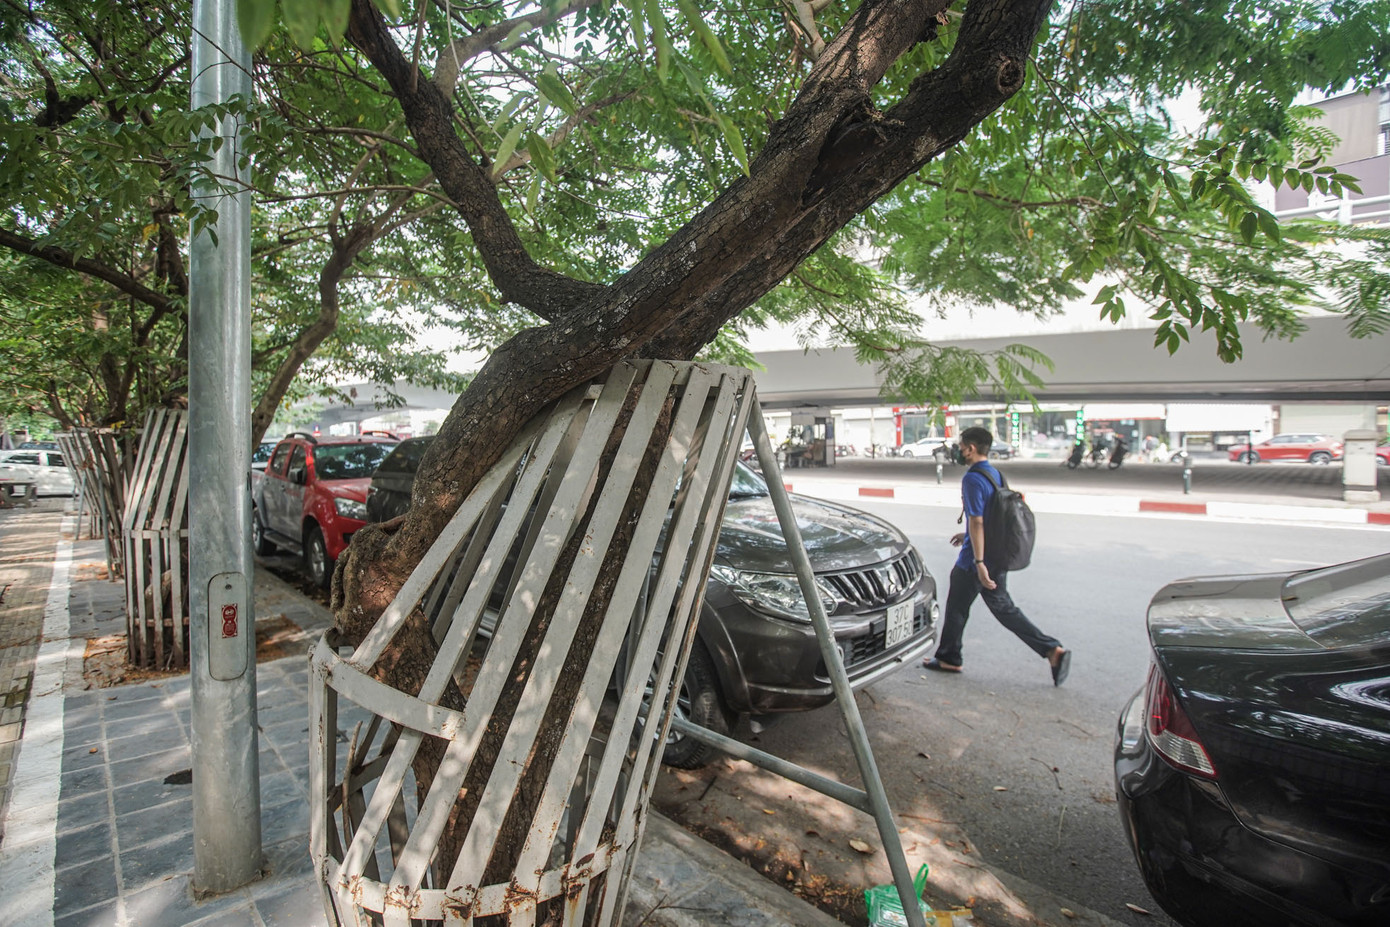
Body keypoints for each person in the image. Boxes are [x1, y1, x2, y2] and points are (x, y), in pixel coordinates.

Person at [923, 426, 1071, 685]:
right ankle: (1051, 650)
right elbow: (994, 517)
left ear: (970, 449)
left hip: (975, 562)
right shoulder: (995, 474)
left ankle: (949, 657)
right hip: (997, 555)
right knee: (1004, 609)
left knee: (957, 608)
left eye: (961, 447)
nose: (958, 451)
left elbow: (978, 521)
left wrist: (979, 562)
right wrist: (966, 535)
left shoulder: (972, 479)